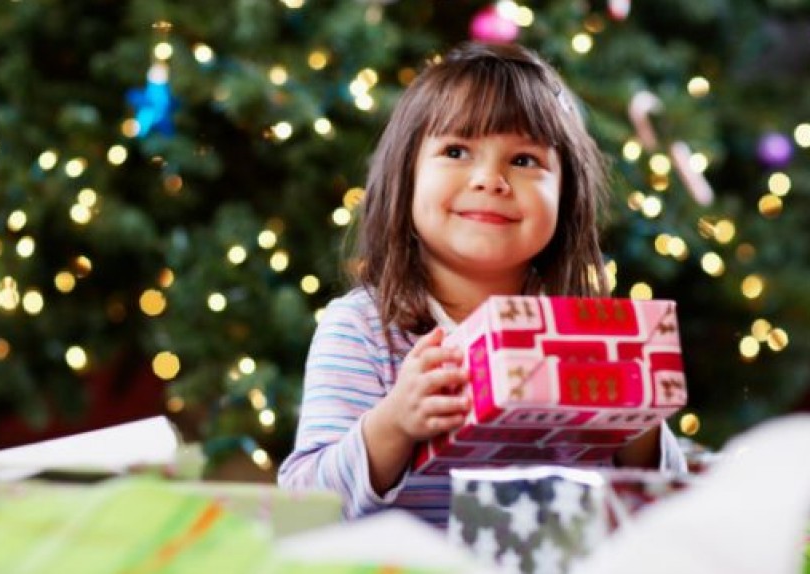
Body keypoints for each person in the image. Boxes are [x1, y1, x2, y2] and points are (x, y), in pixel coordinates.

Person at [277, 41, 687, 527]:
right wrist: (393, 424)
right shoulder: (363, 329)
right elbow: (304, 505)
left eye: (524, 160)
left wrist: (637, 424)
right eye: (456, 151)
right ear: (405, 179)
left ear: (566, 197)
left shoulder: (584, 335)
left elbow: (666, 511)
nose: (490, 179)